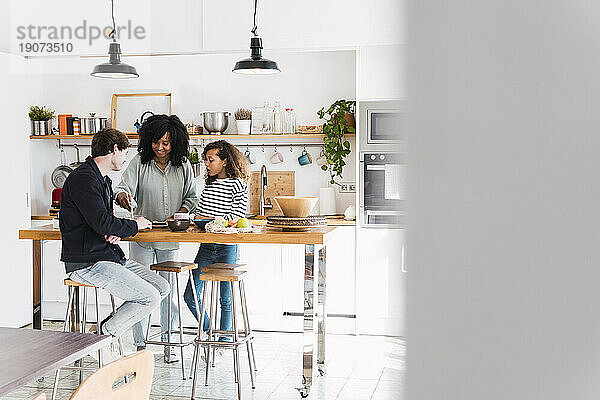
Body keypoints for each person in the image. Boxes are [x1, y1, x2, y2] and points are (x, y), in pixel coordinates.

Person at [60, 128, 170, 363]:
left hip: (106, 255)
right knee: (148, 297)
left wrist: (114, 232)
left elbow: (100, 221)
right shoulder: (84, 179)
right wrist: (134, 225)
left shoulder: (102, 179)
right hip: (87, 261)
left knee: (161, 287)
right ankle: (102, 337)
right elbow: (101, 222)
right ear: (114, 149)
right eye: (125, 152)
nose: (125, 158)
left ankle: (101, 332)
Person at [114, 114, 199, 363]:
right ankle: (141, 346)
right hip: (141, 237)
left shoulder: (183, 165)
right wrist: (123, 198)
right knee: (141, 293)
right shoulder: (140, 163)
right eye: (156, 142)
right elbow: (122, 188)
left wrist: (182, 212)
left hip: (170, 238)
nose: (160, 148)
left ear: (176, 143)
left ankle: (169, 343)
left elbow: (192, 198)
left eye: (166, 143)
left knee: (168, 293)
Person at [184, 140, 249, 356]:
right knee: (191, 296)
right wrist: (196, 221)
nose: (207, 165)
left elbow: (237, 217)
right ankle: (210, 329)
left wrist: (209, 220)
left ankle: (223, 340)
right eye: (206, 161)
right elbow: (201, 213)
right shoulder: (210, 185)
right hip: (206, 245)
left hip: (227, 246)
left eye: (211, 160)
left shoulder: (239, 184)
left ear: (224, 161)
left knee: (226, 298)